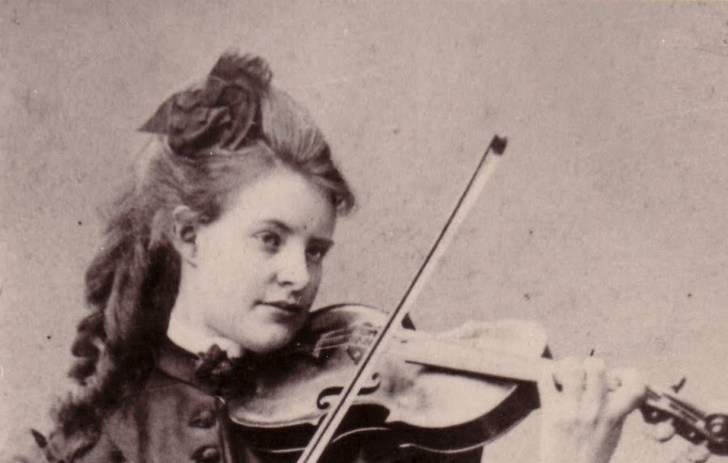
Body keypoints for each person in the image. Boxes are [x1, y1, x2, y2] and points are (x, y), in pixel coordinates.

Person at [33, 52, 647, 463]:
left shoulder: (367, 437)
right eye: (270, 239)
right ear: (189, 236)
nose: (300, 276)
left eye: (316, 249)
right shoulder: (97, 446)